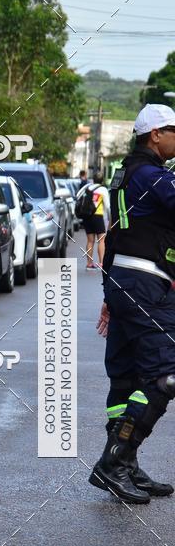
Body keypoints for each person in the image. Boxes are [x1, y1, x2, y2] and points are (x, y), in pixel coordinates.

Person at [89, 104, 175, 503]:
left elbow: (115, 235)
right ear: (154, 135)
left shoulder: (126, 175)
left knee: (126, 379)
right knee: (164, 374)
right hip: (145, 284)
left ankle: (125, 466)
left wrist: (111, 292)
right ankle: (114, 461)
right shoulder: (152, 176)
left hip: (126, 282)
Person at [77, 172, 110, 269]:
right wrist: (109, 219)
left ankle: (89, 263)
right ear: (102, 180)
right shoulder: (103, 189)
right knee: (101, 240)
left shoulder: (88, 188)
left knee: (90, 241)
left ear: (93, 179)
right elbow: (108, 206)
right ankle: (101, 263)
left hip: (87, 216)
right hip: (98, 216)